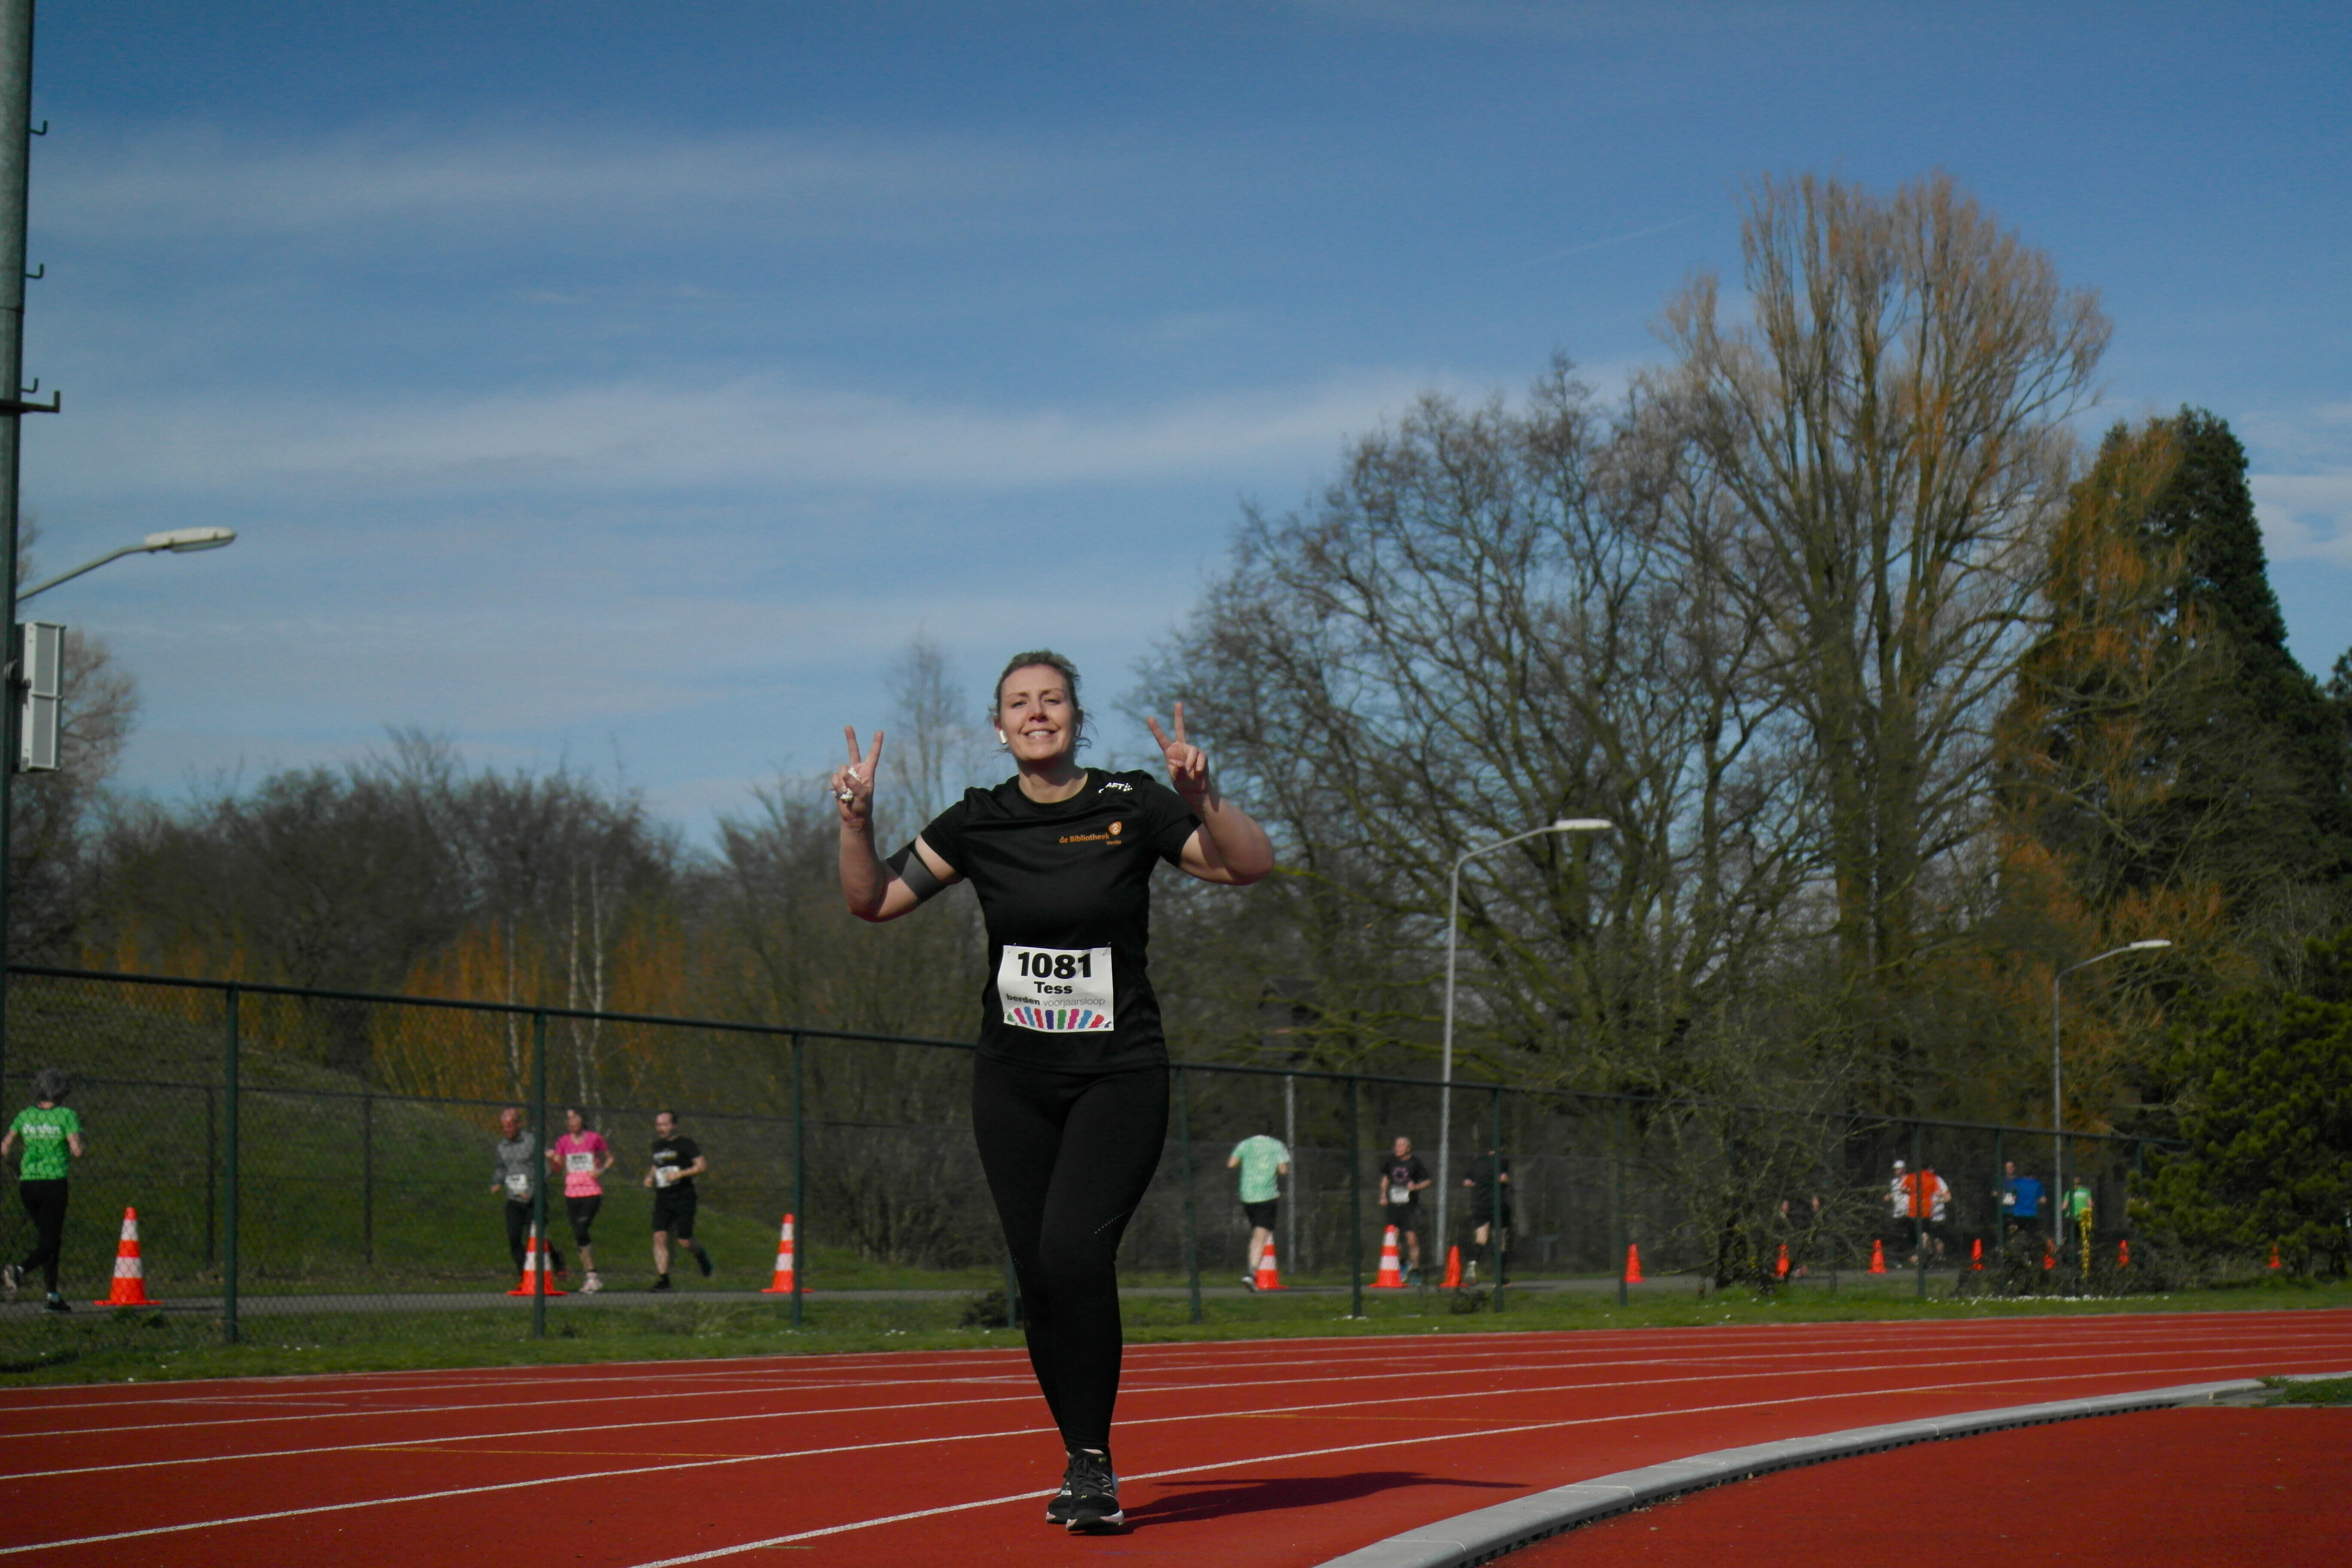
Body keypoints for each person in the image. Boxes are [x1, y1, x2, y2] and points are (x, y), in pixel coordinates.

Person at [833, 650, 1272, 1534]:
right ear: (999, 726)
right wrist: (855, 818)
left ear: (1077, 716)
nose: (1038, 714)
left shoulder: (1132, 803)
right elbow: (873, 900)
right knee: (1037, 1272)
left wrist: (1203, 796)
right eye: (1020, 704)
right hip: (1014, 1080)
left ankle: (1096, 1462)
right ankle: (1082, 1458)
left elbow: (1247, 866)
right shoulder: (978, 821)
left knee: (1076, 1252)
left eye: (1054, 701)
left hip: (1118, 1075)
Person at [3, 1069, 85, 1312]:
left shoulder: (26, 1115)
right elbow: (78, 1151)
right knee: (50, 1242)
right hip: (54, 1183)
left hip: (29, 1184)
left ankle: (53, 1296)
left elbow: (5, 1148)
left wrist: (18, 1169)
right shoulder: (66, 1116)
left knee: (49, 1239)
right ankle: (18, 1271)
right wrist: (81, 1140)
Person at [491, 1107, 565, 1283]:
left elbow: (546, 1169)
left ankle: (557, 1260)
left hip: (534, 1198)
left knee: (538, 1237)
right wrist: (497, 1182)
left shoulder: (532, 1142)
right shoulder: (502, 1146)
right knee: (514, 1239)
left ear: (519, 1124)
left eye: (511, 1126)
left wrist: (531, 1192)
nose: (508, 1130)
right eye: (505, 1127)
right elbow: (501, 1167)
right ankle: (523, 1276)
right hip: (514, 1198)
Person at [643, 1110, 713, 1289]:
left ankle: (701, 1256)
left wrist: (680, 1174)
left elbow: (702, 1166)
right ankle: (663, 1279)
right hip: (663, 1197)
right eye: (658, 1125)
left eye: (665, 1124)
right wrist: (650, 1177)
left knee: (684, 1240)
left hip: (683, 1196)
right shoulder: (657, 1146)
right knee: (659, 1236)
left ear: (674, 1126)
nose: (661, 1129)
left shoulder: (685, 1144)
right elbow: (656, 1165)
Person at [549, 1108, 614, 1292]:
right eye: (568, 1119)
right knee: (579, 1235)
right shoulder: (563, 1142)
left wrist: (601, 1171)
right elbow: (557, 1167)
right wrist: (552, 1160)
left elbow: (610, 1159)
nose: (571, 1122)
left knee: (581, 1227)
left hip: (592, 1191)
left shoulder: (594, 1138)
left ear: (582, 1120)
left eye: (575, 1118)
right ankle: (592, 1277)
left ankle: (592, 1275)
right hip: (572, 1193)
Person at [1227, 1131, 1289, 1287]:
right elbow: (1283, 1170)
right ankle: (1252, 1272)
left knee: (1256, 1232)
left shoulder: (1245, 1144)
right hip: (1267, 1195)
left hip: (1247, 1195)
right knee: (1260, 1235)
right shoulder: (1276, 1145)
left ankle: (1251, 1273)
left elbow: (1231, 1164)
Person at [1373, 1136, 1431, 1282]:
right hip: (1394, 1206)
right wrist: (1383, 1196)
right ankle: (1401, 1264)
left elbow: (1428, 1180)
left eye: (1401, 1145)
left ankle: (1416, 1270)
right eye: (1396, 1145)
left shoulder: (1415, 1163)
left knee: (1412, 1240)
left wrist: (1416, 1187)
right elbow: (1386, 1179)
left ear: (1408, 1148)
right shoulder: (1391, 1161)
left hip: (1409, 1206)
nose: (1398, 1148)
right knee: (1393, 1239)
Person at [1461, 1145, 1511, 1282]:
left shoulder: (1477, 1163)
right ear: (1500, 1149)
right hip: (1498, 1205)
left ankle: (1472, 1266)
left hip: (1480, 1204)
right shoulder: (1502, 1162)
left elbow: (1467, 1182)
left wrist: (1480, 1184)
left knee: (1481, 1238)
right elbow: (1503, 1178)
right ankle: (1500, 1277)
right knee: (1500, 1240)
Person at [1997, 1160, 2044, 1246]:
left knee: (2015, 1233)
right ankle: (2028, 1251)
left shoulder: (2017, 1183)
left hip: (2018, 1213)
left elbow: (2013, 1197)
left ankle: (2013, 1247)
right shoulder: (2037, 1184)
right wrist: (2034, 1200)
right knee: (2031, 1236)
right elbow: (2043, 1200)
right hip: (2032, 1214)